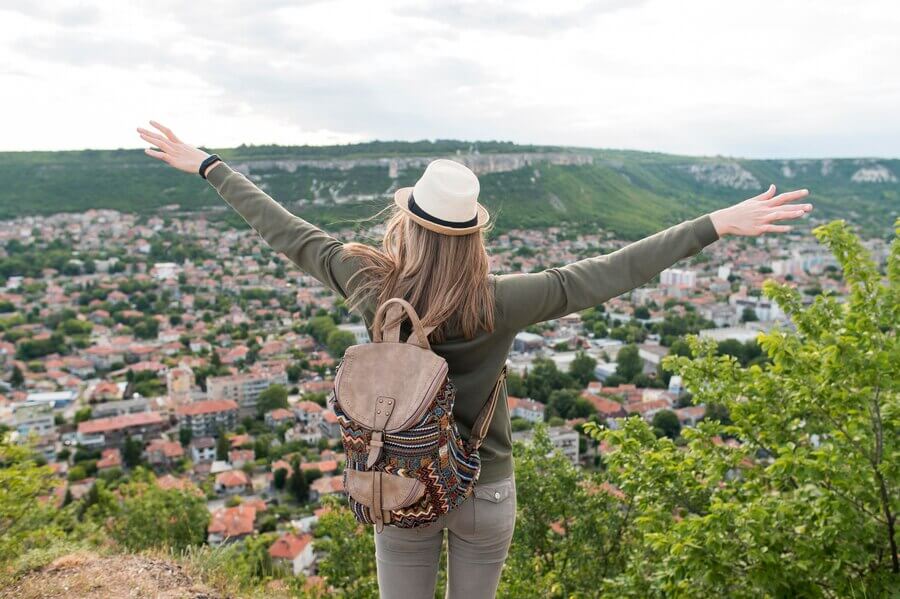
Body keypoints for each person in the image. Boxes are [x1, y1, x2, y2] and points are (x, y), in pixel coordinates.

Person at [137, 120, 813, 599]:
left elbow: (289, 231)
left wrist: (208, 164)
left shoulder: (371, 283)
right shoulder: (502, 301)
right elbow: (609, 271)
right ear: (471, 234)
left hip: (399, 480)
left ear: (408, 223)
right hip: (484, 486)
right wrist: (714, 222)